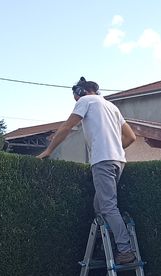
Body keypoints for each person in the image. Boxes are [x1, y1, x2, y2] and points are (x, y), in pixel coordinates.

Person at [37, 77, 138, 264]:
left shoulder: (86, 101)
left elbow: (67, 127)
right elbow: (131, 137)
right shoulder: (112, 107)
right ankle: (105, 246)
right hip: (118, 161)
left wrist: (49, 150)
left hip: (103, 160)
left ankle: (125, 250)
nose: (76, 100)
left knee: (108, 206)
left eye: (75, 96)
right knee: (99, 206)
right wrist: (114, 147)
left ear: (81, 92)